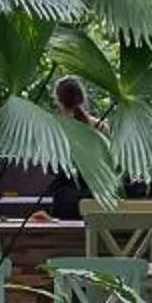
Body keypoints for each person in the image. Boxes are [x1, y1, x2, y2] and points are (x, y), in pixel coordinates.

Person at [43, 74, 104, 218]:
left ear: (58, 100)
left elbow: (52, 167)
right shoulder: (100, 127)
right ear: (82, 97)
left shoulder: (54, 128)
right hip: (97, 196)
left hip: (66, 199)